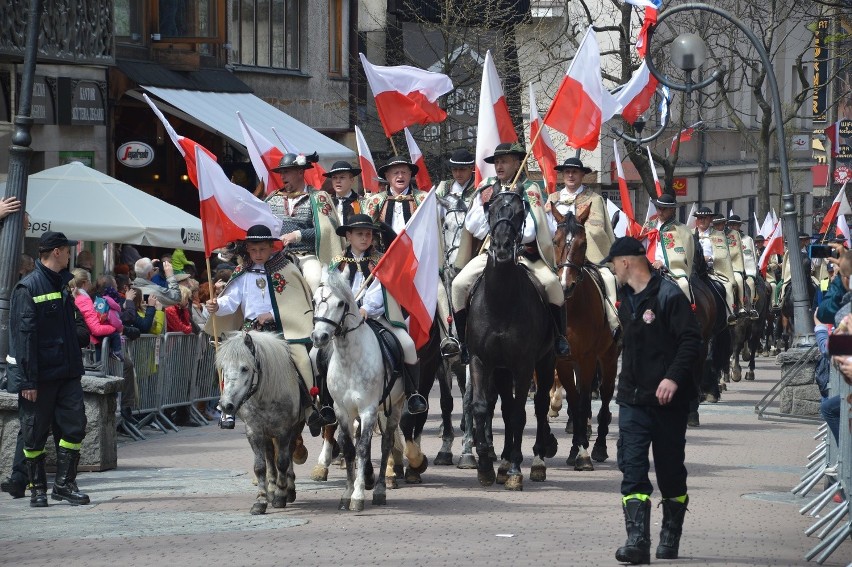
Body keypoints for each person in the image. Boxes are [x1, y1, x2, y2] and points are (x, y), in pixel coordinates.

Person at [602, 236, 701, 564]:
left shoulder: (669, 296)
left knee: (670, 471)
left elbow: (691, 341)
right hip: (632, 398)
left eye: (613, 263)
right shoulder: (623, 296)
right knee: (632, 468)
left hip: (667, 403)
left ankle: (671, 532)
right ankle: (637, 541)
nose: (612, 269)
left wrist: (672, 377)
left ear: (626, 262)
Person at [205, 225, 319, 460]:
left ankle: (311, 407)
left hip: (281, 331)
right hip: (248, 332)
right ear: (247, 249)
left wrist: (274, 315)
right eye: (254, 249)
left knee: (304, 359)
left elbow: (298, 305)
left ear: (271, 247)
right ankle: (227, 406)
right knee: (229, 363)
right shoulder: (242, 272)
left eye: (262, 249)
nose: (258, 253)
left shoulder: (286, 269)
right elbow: (231, 301)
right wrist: (217, 306)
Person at [451, 142, 569, 361]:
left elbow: (533, 229)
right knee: (458, 285)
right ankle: (463, 341)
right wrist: (495, 226)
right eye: (496, 162)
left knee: (553, 284)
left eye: (504, 161)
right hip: (491, 254)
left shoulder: (530, 188)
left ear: (517, 163)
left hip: (524, 255)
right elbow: (472, 223)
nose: (499, 166)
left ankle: (560, 336)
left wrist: (511, 231)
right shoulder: (486, 187)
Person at [318, 214, 428, 424]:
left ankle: (413, 394)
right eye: (359, 234)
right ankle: (325, 404)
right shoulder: (336, 264)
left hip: (375, 317)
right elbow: (329, 292)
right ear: (348, 235)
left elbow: (380, 290)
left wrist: (366, 308)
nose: (365, 238)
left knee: (407, 344)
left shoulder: (380, 260)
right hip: (341, 323)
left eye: (368, 234)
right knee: (316, 354)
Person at [8, 231, 91, 507]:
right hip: (40, 377)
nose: (70, 254)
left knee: (75, 428)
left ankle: (65, 485)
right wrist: (28, 381)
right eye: (67, 250)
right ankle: (38, 490)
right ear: (56, 252)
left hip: (67, 373)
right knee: (34, 433)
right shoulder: (28, 287)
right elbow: (24, 338)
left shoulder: (64, 283)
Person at [546, 156, 620, 339]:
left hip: (588, 258)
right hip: (557, 258)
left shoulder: (594, 199)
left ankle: (614, 325)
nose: (570, 175)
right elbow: (546, 229)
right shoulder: (552, 199)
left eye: (575, 172)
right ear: (563, 175)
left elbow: (597, 230)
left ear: (582, 175)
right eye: (567, 172)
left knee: (609, 279)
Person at [266, 152, 342, 292]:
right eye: (281, 172)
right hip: (275, 255)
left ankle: (316, 312)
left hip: (306, 255)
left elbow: (328, 230)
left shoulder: (318, 197)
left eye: (286, 172)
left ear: (300, 172)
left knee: (315, 279)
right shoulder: (272, 199)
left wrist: (297, 235)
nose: (282, 176)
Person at [639, 193, 696, 301]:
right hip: (647, 266)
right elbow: (642, 247)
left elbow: (683, 254)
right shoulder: (648, 226)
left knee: (683, 284)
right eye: (658, 208)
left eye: (664, 209)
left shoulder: (681, 229)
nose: (660, 212)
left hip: (671, 269)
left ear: (672, 210)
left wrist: (662, 262)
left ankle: (687, 313)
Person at [362, 155, 428, 240]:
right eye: (396, 173)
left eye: (404, 172)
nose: (400, 176)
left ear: (410, 174)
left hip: (416, 250)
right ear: (387, 176)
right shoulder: (376, 200)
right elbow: (366, 228)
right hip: (386, 251)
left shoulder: (424, 198)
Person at [324, 160, 363, 227]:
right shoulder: (326, 202)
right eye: (334, 178)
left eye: (342, 177)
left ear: (351, 180)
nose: (338, 181)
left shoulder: (362, 202)